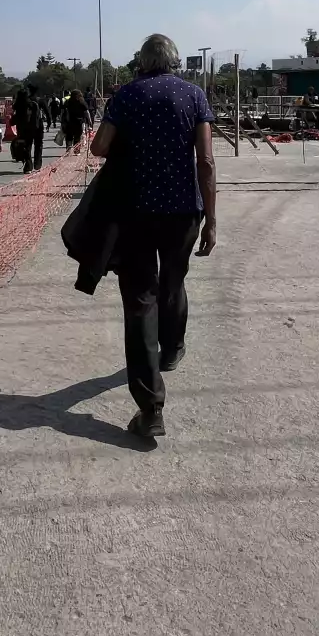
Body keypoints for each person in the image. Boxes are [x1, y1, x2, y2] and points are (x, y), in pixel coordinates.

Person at [90, 33, 217, 441]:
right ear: (175, 61)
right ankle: (173, 347)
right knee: (174, 280)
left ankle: (150, 409)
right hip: (184, 212)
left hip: (136, 212)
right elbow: (206, 161)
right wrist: (212, 220)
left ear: (142, 62)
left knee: (141, 301)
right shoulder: (194, 96)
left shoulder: (126, 96)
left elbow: (99, 147)